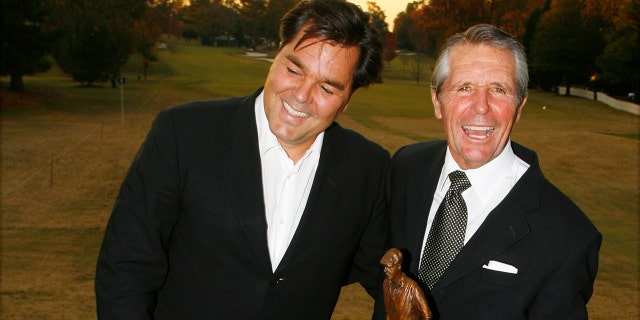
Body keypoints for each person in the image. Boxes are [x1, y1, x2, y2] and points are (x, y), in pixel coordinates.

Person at [95, 1, 388, 319]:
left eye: (327, 88)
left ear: (347, 100)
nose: (301, 96)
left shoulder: (367, 169)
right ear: (277, 53)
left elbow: (390, 280)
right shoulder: (183, 134)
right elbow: (126, 268)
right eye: (293, 70)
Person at [374, 24, 601, 319]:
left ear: (519, 106)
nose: (481, 107)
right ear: (437, 101)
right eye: (465, 87)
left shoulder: (568, 237)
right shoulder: (405, 169)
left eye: (499, 89)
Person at [380, 248, 432, 320]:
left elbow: (427, 316)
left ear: (398, 267)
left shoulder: (413, 288)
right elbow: (388, 312)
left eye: (389, 267)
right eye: (385, 267)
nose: (385, 270)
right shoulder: (386, 284)